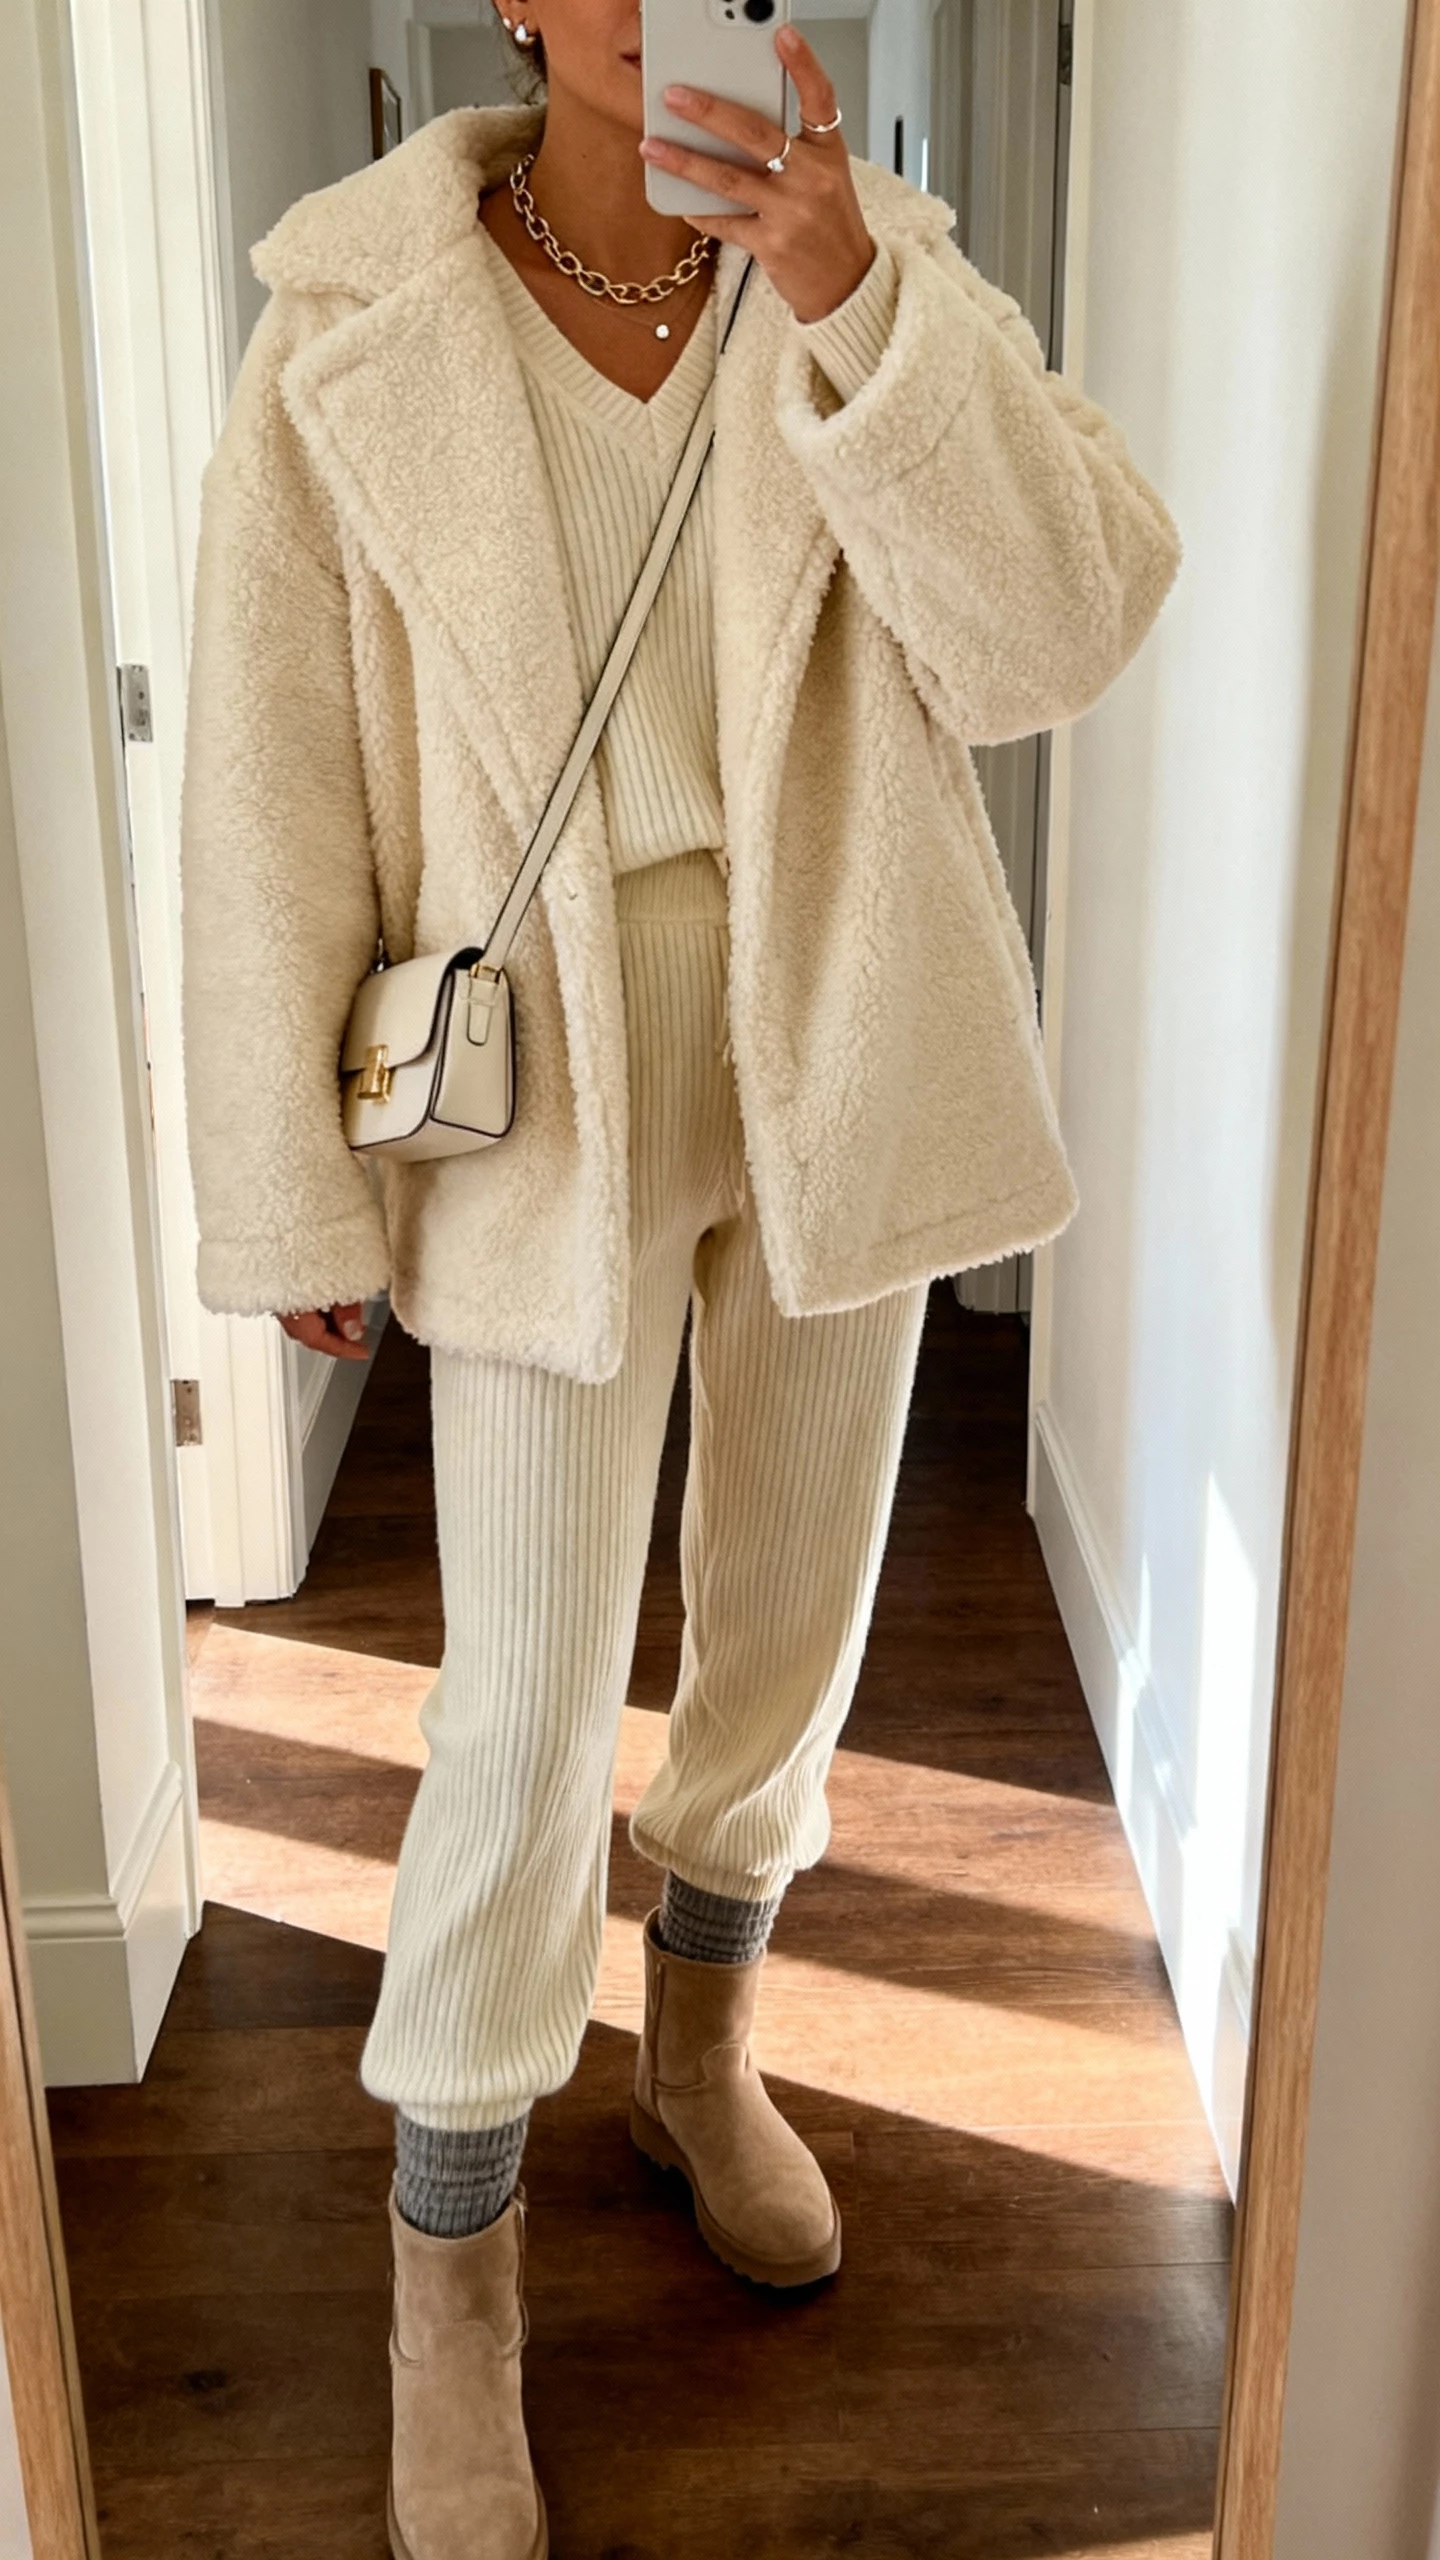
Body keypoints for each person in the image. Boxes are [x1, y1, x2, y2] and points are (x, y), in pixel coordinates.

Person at [179, 3, 1180, 2549]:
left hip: (843, 1018)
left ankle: (706, 2043)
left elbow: (1056, 641)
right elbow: (268, 767)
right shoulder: (349, 320)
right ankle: (450, 2260)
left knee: (788, 1617)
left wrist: (857, 293)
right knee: (515, 1698)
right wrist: (291, 1186)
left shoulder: (874, 268)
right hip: (538, 1077)